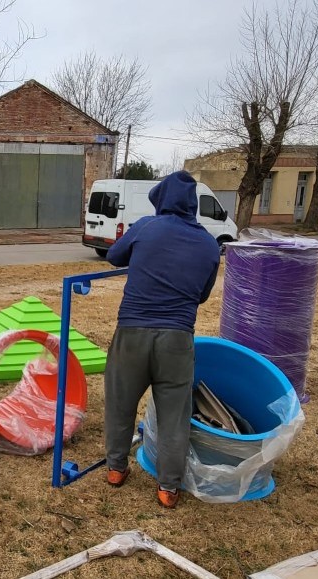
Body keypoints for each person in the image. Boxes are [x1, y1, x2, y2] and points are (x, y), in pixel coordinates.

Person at [103, 170, 219, 509]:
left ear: (160, 199)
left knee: (120, 403)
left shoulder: (146, 227)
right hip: (178, 339)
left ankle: (115, 468)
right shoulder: (209, 244)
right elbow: (203, 295)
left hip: (133, 332)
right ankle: (168, 488)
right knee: (174, 416)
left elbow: (114, 257)